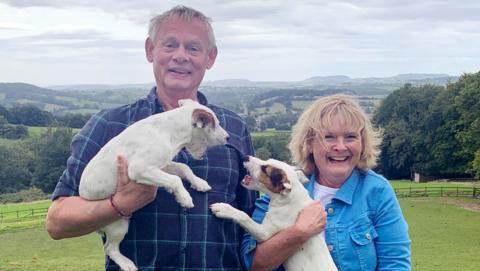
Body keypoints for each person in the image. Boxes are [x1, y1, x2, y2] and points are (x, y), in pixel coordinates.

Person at [46, 5, 257, 270]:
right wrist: (118, 205)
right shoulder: (107, 125)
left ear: (210, 57)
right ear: (150, 50)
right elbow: (57, 222)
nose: (180, 56)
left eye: (193, 48)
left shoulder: (234, 130)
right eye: (170, 45)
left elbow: (251, 222)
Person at [241, 94, 411, 271]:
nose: (340, 146)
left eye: (350, 137)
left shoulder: (377, 191)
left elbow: (395, 264)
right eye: (329, 137)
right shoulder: (283, 186)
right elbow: (254, 263)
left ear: (362, 143)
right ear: (310, 143)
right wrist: (299, 232)